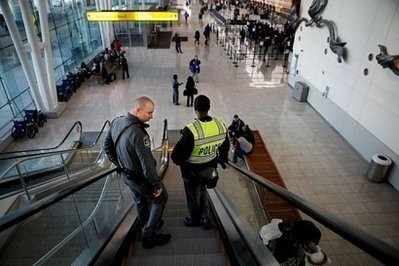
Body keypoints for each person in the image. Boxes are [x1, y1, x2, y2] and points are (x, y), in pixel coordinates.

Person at [103, 96, 171, 249]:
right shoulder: (139, 134)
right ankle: (149, 235)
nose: (151, 117)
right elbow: (147, 164)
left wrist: (119, 164)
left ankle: (145, 224)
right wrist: (156, 183)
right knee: (161, 199)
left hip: (126, 176)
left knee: (139, 200)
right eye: (149, 113)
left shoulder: (116, 122)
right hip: (140, 178)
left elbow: (107, 146)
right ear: (138, 109)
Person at [171, 95, 229, 229]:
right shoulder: (220, 125)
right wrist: (222, 160)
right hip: (210, 169)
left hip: (192, 172)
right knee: (204, 191)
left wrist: (185, 165)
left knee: (193, 196)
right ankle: (205, 218)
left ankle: (193, 219)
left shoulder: (191, 130)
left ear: (195, 109)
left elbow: (176, 157)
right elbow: (225, 148)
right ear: (209, 108)